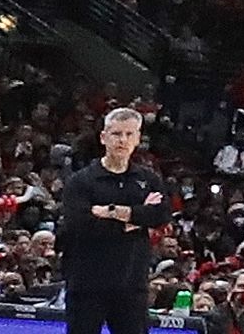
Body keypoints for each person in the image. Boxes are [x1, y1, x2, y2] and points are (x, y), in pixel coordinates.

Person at [60, 108, 170, 334]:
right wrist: (136, 219)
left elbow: (160, 215)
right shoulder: (81, 181)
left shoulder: (148, 179)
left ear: (138, 138)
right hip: (87, 283)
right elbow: (82, 225)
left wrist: (111, 212)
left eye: (130, 134)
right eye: (117, 134)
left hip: (132, 284)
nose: (123, 140)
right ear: (103, 137)